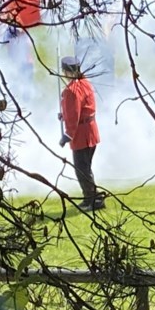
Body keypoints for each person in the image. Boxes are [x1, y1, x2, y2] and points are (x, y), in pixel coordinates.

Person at [59, 56, 104, 211]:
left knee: (82, 170)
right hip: (90, 130)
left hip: (81, 134)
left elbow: (74, 115)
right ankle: (92, 198)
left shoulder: (71, 91)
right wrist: (64, 114)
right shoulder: (85, 83)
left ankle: (93, 200)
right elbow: (80, 109)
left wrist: (67, 135)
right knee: (85, 168)